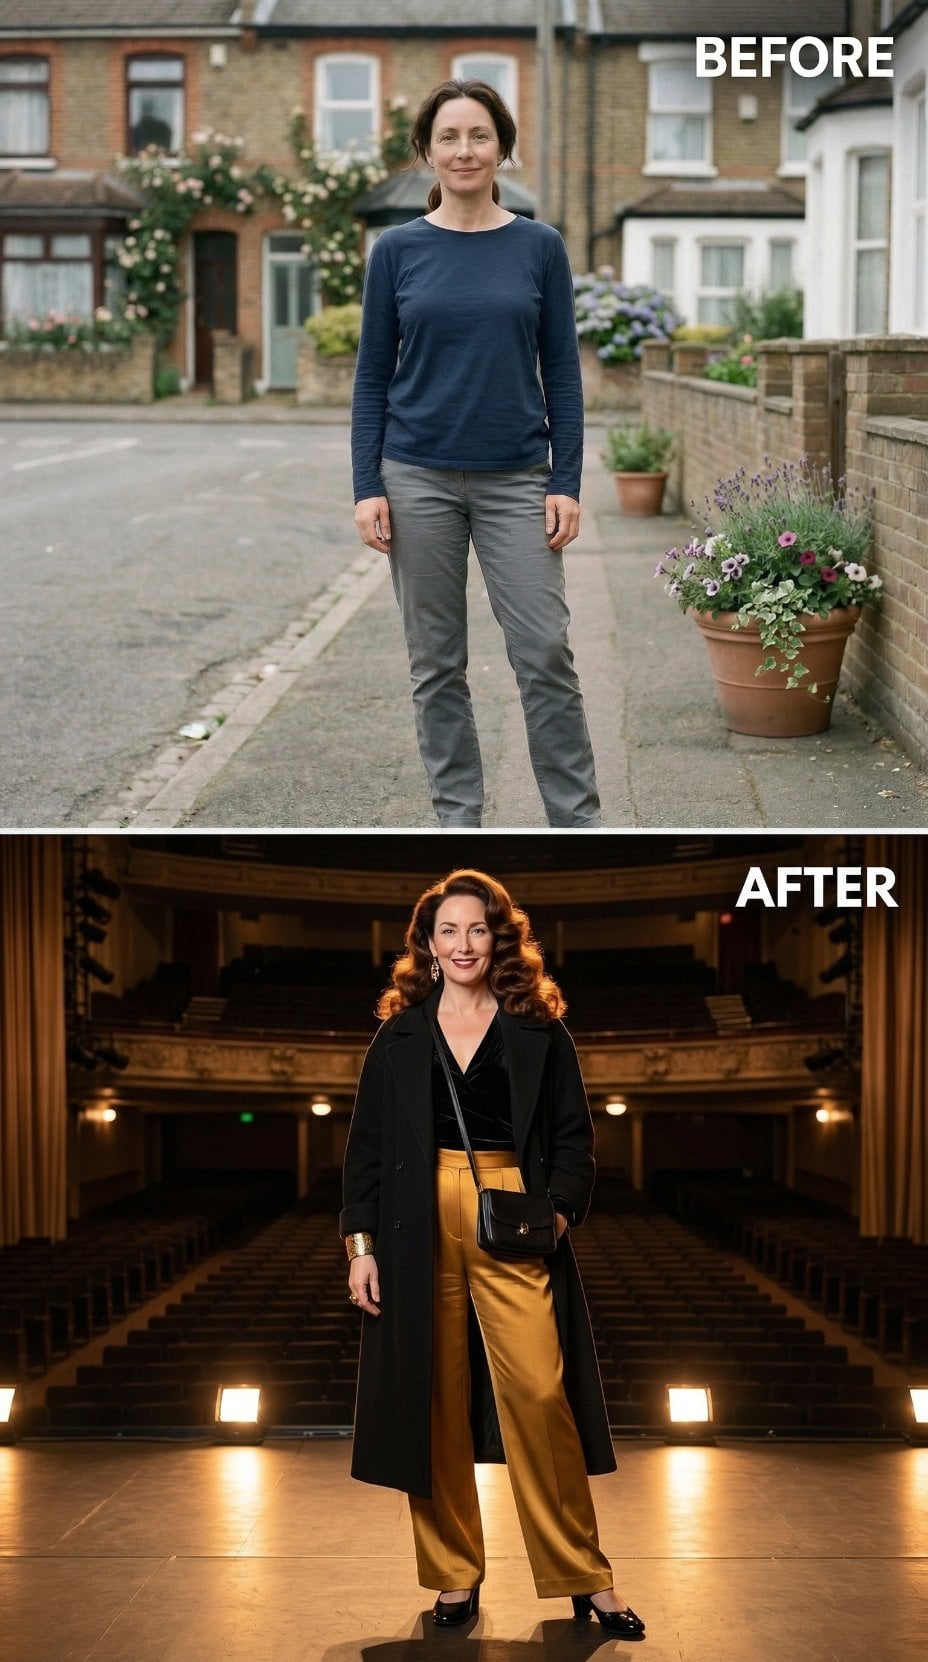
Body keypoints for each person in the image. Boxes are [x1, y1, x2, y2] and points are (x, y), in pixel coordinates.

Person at [340, 868, 645, 1637]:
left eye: (477, 928)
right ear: (428, 944)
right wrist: (361, 1246)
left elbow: (576, 1140)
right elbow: (367, 1152)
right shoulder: (398, 1035)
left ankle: (584, 1575)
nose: (463, 943)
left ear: (498, 938)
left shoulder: (540, 1027)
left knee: (542, 1395)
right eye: (448, 930)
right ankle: (453, 1577)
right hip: (414, 1218)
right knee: (430, 1400)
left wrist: (560, 1217)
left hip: (513, 1211)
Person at [351, 80, 600, 829]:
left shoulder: (538, 246)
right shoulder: (396, 252)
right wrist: (368, 485)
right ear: (427, 149)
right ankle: (459, 818)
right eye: (450, 136)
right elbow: (371, 377)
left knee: (545, 653)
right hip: (416, 475)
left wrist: (567, 479)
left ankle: (576, 821)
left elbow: (561, 369)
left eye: (479, 135)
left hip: (517, 480)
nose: (465, 150)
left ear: (502, 147)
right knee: (436, 666)